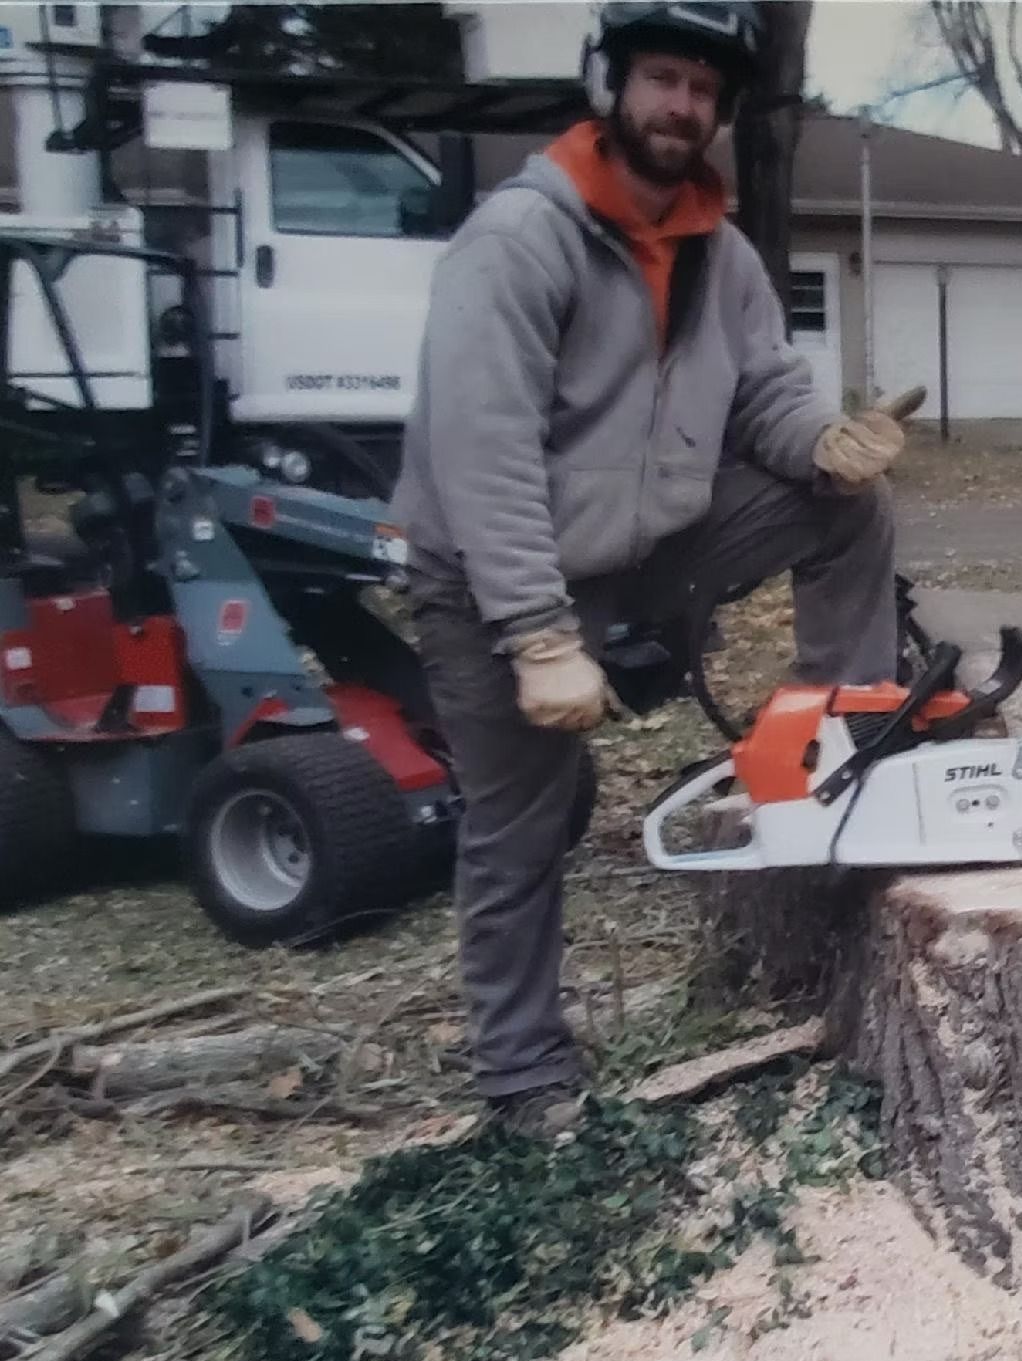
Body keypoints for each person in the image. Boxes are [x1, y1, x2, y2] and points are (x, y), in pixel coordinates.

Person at [390, 0, 908, 1138]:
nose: (682, 106)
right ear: (610, 85)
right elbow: (482, 454)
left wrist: (822, 445)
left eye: (703, 89)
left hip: (649, 542)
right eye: (662, 79)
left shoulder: (720, 254)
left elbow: (766, 385)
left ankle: (852, 736)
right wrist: (537, 633)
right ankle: (523, 1079)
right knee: (521, 824)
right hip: (498, 571)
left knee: (853, 510)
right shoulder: (521, 240)